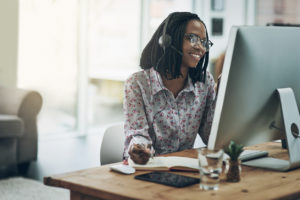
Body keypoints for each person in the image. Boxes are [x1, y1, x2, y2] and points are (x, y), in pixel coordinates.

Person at [123, 12, 216, 164]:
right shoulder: (137, 83)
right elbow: (137, 134)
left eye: (204, 42)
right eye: (192, 38)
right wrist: (140, 148)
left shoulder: (205, 83)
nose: (200, 47)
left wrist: (225, 100)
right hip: (147, 167)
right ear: (167, 40)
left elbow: (211, 136)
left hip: (184, 167)